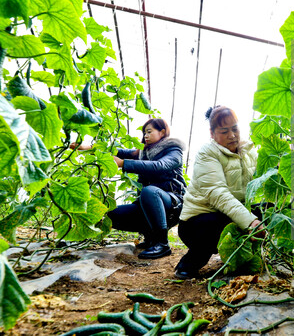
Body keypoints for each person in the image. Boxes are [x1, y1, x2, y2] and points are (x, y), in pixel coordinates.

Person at [73, 118, 186, 259]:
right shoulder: (142, 152)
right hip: (149, 204)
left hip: (172, 204)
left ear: (162, 132)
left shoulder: (174, 150)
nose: (145, 135)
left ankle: (162, 244)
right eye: (144, 132)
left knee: (149, 191)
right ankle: (150, 237)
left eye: (149, 131)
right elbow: (117, 151)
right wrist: (88, 148)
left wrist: (124, 164)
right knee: (111, 214)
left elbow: (159, 165)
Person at [174, 105, 263, 279]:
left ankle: (242, 257)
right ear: (212, 133)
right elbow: (218, 194)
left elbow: (262, 182)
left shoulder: (249, 151)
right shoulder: (207, 153)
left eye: (234, 128)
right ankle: (190, 262)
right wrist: (250, 221)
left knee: (270, 210)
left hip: (232, 214)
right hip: (198, 223)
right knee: (220, 223)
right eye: (224, 131)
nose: (232, 135)